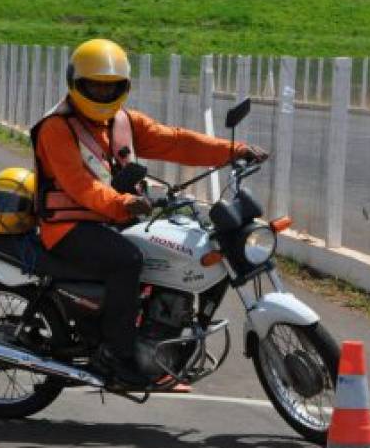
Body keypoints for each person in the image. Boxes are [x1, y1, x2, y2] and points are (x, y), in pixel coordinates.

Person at [30, 38, 267, 385]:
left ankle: (162, 342)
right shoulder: (56, 128)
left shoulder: (123, 121)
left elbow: (175, 141)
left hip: (116, 217)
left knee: (175, 246)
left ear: (124, 87)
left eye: (111, 87)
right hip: (69, 227)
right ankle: (117, 355)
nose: (101, 93)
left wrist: (233, 151)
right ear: (75, 83)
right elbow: (81, 186)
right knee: (127, 261)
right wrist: (124, 203)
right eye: (93, 85)